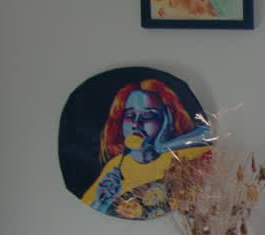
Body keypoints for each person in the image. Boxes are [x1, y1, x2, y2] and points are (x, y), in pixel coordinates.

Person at [81, 79, 211, 219]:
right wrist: (101, 202)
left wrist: (161, 146)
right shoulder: (114, 169)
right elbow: (88, 212)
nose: (136, 123)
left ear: (166, 120)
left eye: (148, 115)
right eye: (130, 115)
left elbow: (212, 134)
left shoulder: (184, 155)